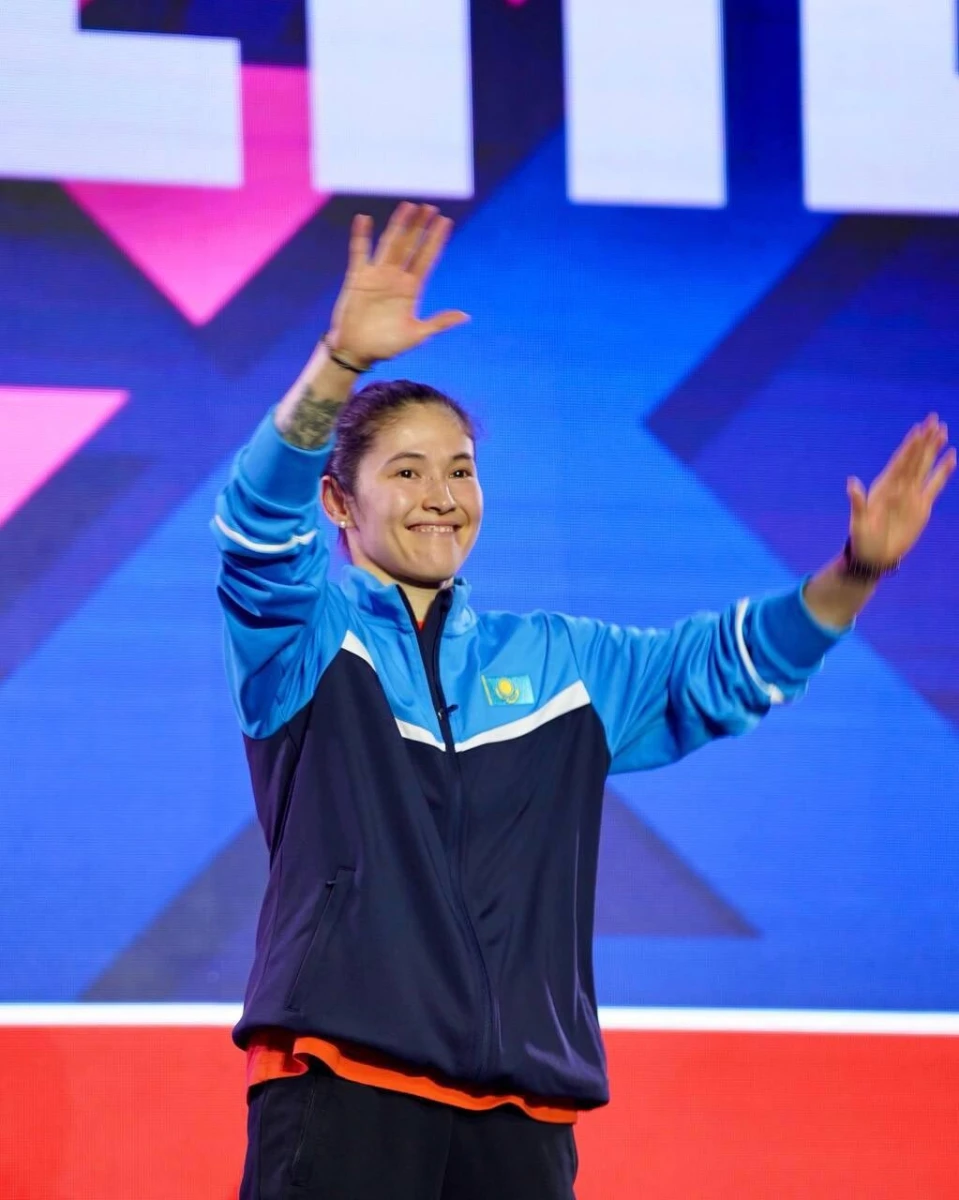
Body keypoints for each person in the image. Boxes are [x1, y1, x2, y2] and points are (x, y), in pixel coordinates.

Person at [212, 202, 955, 1200]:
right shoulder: (305, 640)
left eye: (460, 470)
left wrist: (853, 574)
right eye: (407, 472)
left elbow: (722, 670)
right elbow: (256, 524)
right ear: (340, 502)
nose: (442, 496)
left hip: (521, 1114)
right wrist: (338, 365)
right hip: (343, 1084)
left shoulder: (560, 662)